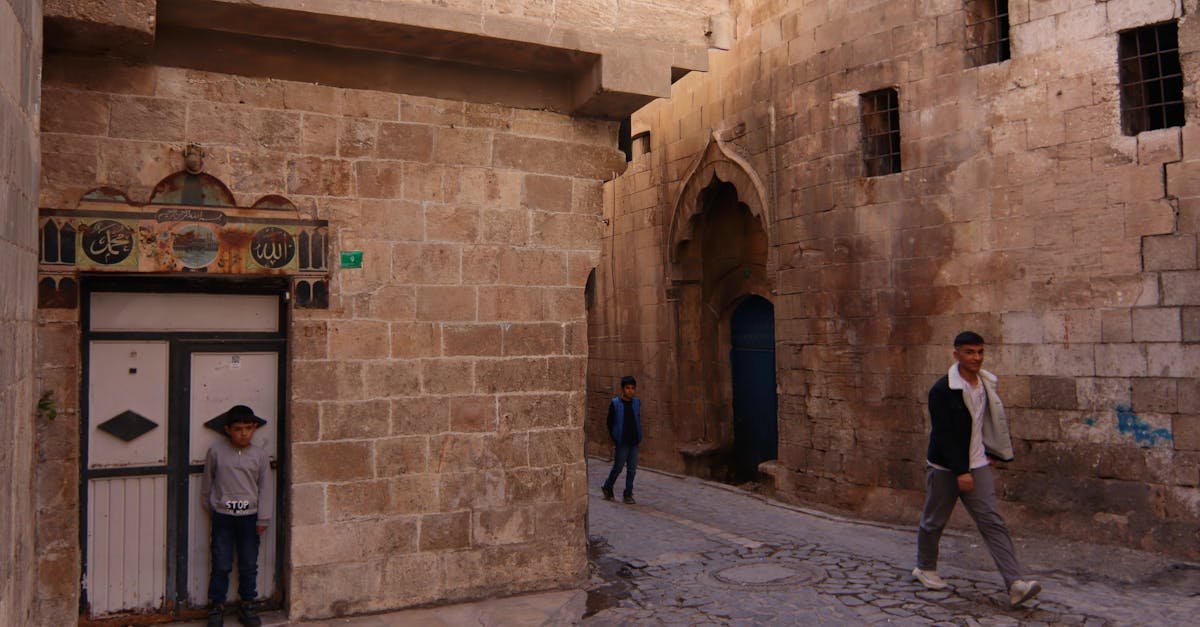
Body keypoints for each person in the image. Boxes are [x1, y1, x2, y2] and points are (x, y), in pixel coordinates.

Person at [913, 331, 1042, 608]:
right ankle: (925, 567)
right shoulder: (942, 390)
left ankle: (1015, 583)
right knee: (933, 521)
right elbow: (943, 435)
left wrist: (991, 452)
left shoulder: (986, 384)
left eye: (980, 352)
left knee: (992, 522)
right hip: (946, 468)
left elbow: (987, 422)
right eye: (970, 352)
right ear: (956, 354)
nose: (977, 358)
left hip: (978, 463)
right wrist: (961, 471)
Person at [202, 405, 271, 627]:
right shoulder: (216, 452)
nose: (244, 434)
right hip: (223, 517)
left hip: (250, 519)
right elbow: (207, 483)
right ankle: (216, 606)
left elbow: (265, 488)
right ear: (228, 430)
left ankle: (247, 604)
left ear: (254, 429)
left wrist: (263, 519)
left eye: (248, 429)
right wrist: (213, 507)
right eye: (238, 429)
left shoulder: (260, 456)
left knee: (249, 563)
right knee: (221, 563)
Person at [602, 375, 642, 504]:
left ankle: (628, 493)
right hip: (622, 441)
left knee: (632, 469)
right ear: (623, 389)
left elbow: (637, 418)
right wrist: (615, 437)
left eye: (632, 388)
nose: (630, 391)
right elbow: (609, 422)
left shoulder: (637, 403)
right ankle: (608, 486)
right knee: (618, 467)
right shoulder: (615, 404)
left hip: (634, 441)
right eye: (628, 388)